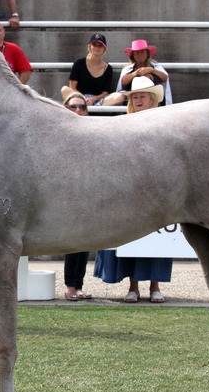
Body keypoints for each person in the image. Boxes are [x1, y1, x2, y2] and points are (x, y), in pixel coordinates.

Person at [93, 76, 173, 303]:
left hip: (157, 188)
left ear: (152, 99)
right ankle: (133, 286)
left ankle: (155, 286)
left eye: (142, 96)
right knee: (130, 239)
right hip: (129, 188)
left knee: (157, 240)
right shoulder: (122, 122)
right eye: (135, 97)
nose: (138, 100)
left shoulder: (165, 122)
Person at [59, 87, 94, 301]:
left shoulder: (92, 132)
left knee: (85, 241)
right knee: (73, 241)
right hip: (67, 192)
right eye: (74, 107)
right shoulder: (60, 132)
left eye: (82, 107)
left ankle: (79, 285)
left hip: (89, 191)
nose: (79, 110)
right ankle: (70, 286)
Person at [117, 39, 172, 105]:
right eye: (137, 52)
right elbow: (124, 81)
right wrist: (138, 73)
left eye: (143, 52)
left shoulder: (155, 67)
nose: (140, 54)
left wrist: (151, 70)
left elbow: (165, 78)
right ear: (133, 55)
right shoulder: (128, 69)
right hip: (133, 103)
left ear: (147, 54)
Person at [68, 32, 118, 105]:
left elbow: (105, 93)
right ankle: (81, 107)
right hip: (79, 99)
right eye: (94, 45)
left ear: (104, 49)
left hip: (99, 101)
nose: (97, 48)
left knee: (119, 97)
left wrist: (93, 99)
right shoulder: (79, 63)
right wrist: (84, 99)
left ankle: (96, 108)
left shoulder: (108, 68)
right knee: (64, 89)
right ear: (90, 46)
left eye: (100, 45)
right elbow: (72, 88)